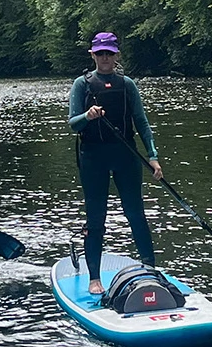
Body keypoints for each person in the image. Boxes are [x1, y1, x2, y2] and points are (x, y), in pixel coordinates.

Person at [69, 31, 162, 298]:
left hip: (126, 157)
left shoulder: (127, 84)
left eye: (109, 53)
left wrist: (152, 156)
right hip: (93, 158)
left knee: (136, 215)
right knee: (96, 219)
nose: (105, 58)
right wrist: (87, 115)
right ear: (93, 55)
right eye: (100, 53)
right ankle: (95, 277)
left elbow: (142, 123)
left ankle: (149, 268)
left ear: (116, 55)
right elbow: (73, 124)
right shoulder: (82, 84)